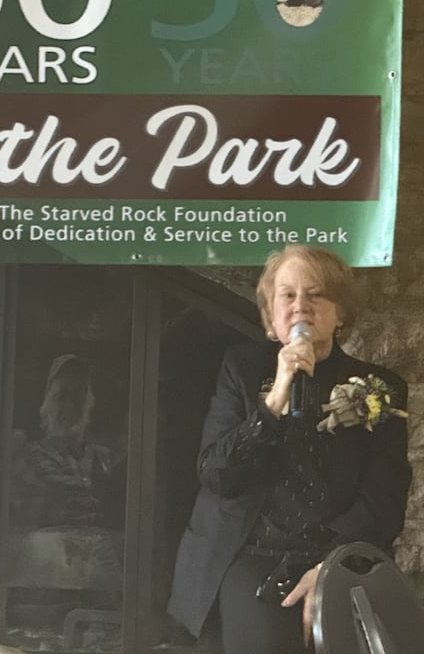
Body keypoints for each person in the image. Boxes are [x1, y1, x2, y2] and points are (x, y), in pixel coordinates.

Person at [167, 245, 411, 654]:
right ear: (270, 313)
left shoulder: (379, 387)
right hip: (250, 553)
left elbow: (385, 498)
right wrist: (275, 399)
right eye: (288, 295)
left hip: (336, 552)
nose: (301, 306)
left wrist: (329, 570)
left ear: (340, 313)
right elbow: (218, 475)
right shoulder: (241, 370)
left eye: (316, 294)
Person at [14, 354, 123, 529]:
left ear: (90, 405)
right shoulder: (30, 457)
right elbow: (71, 499)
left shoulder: (105, 458)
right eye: (61, 396)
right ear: (46, 404)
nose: (69, 406)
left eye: (77, 397)